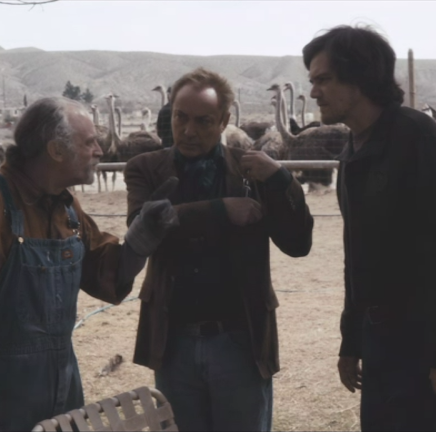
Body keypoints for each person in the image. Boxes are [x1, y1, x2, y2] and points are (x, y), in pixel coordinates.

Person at [0, 96, 177, 431]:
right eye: (89, 142)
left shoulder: (66, 208)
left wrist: (143, 235)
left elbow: (107, 274)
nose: (100, 151)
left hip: (63, 388)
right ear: (56, 150)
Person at [302, 26, 436, 431]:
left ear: (359, 77)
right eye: (312, 81)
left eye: (323, 80)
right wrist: (352, 340)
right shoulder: (351, 152)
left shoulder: (421, 138)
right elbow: (357, 256)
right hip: (382, 337)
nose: (314, 92)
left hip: (431, 336)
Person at [124, 67, 314, 431]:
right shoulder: (145, 169)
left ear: (224, 121)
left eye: (203, 121)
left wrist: (281, 179)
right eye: (181, 117)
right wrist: (220, 210)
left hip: (240, 340)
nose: (188, 130)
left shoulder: (250, 171)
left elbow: (297, 244)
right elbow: (142, 226)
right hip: (173, 342)